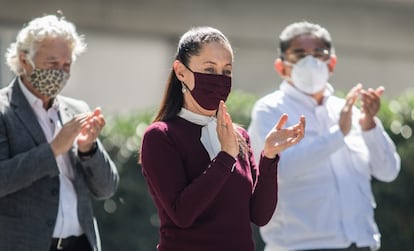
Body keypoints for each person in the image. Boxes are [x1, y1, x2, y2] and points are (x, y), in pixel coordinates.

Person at [139, 26, 305, 251]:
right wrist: (225, 156)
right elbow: (182, 214)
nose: (219, 79)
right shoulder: (160, 136)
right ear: (180, 72)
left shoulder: (239, 136)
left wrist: (269, 156)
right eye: (209, 69)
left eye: (226, 71)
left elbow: (259, 215)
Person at [248, 21, 401, 251]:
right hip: (299, 247)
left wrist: (369, 124)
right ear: (281, 67)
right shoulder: (269, 110)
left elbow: (388, 171)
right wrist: (338, 134)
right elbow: (281, 171)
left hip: (362, 244)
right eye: (300, 55)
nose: (310, 62)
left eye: (318, 54)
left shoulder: (348, 110)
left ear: (332, 63)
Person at [0, 14, 119, 251]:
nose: (60, 72)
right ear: (25, 61)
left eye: (66, 65)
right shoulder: (3, 110)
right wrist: (53, 150)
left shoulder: (77, 110)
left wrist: (88, 150)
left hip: (80, 244)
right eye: (52, 64)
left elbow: (106, 188)